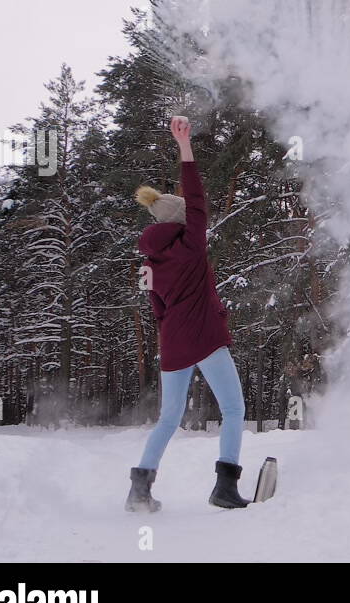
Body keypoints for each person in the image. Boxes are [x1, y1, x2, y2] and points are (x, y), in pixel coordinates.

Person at [124, 116, 250, 512]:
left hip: (173, 343)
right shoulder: (191, 245)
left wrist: (177, 331)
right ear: (182, 221)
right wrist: (184, 145)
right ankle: (224, 488)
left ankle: (139, 492)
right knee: (233, 409)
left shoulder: (149, 262)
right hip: (205, 338)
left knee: (168, 418)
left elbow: (158, 310)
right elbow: (196, 197)